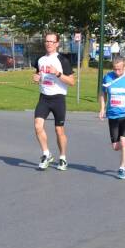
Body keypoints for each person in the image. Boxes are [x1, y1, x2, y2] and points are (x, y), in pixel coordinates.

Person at [32, 32, 75, 170]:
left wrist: (57, 73)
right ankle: (46, 154)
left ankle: (62, 157)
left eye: (51, 41)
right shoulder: (40, 59)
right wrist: (36, 77)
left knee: (59, 130)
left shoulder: (62, 60)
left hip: (58, 98)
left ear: (57, 44)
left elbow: (72, 82)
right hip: (44, 98)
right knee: (38, 126)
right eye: (47, 41)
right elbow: (38, 73)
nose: (49, 44)